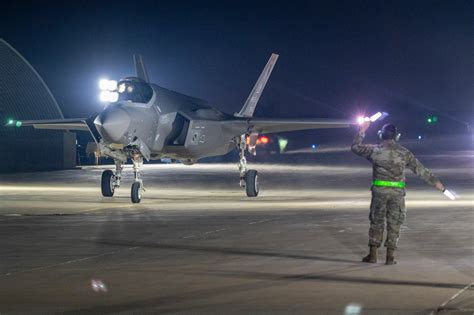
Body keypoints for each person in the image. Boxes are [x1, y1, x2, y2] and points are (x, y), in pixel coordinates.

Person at [351, 122, 445, 265]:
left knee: (377, 221)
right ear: (397, 136)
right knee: (394, 223)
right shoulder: (404, 152)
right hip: (397, 194)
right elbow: (420, 170)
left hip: (379, 192)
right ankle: (390, 257)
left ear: (381, 135)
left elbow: (355, 147)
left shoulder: (374, 150)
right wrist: (436, 183)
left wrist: (362, 130)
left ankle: (373, 255)